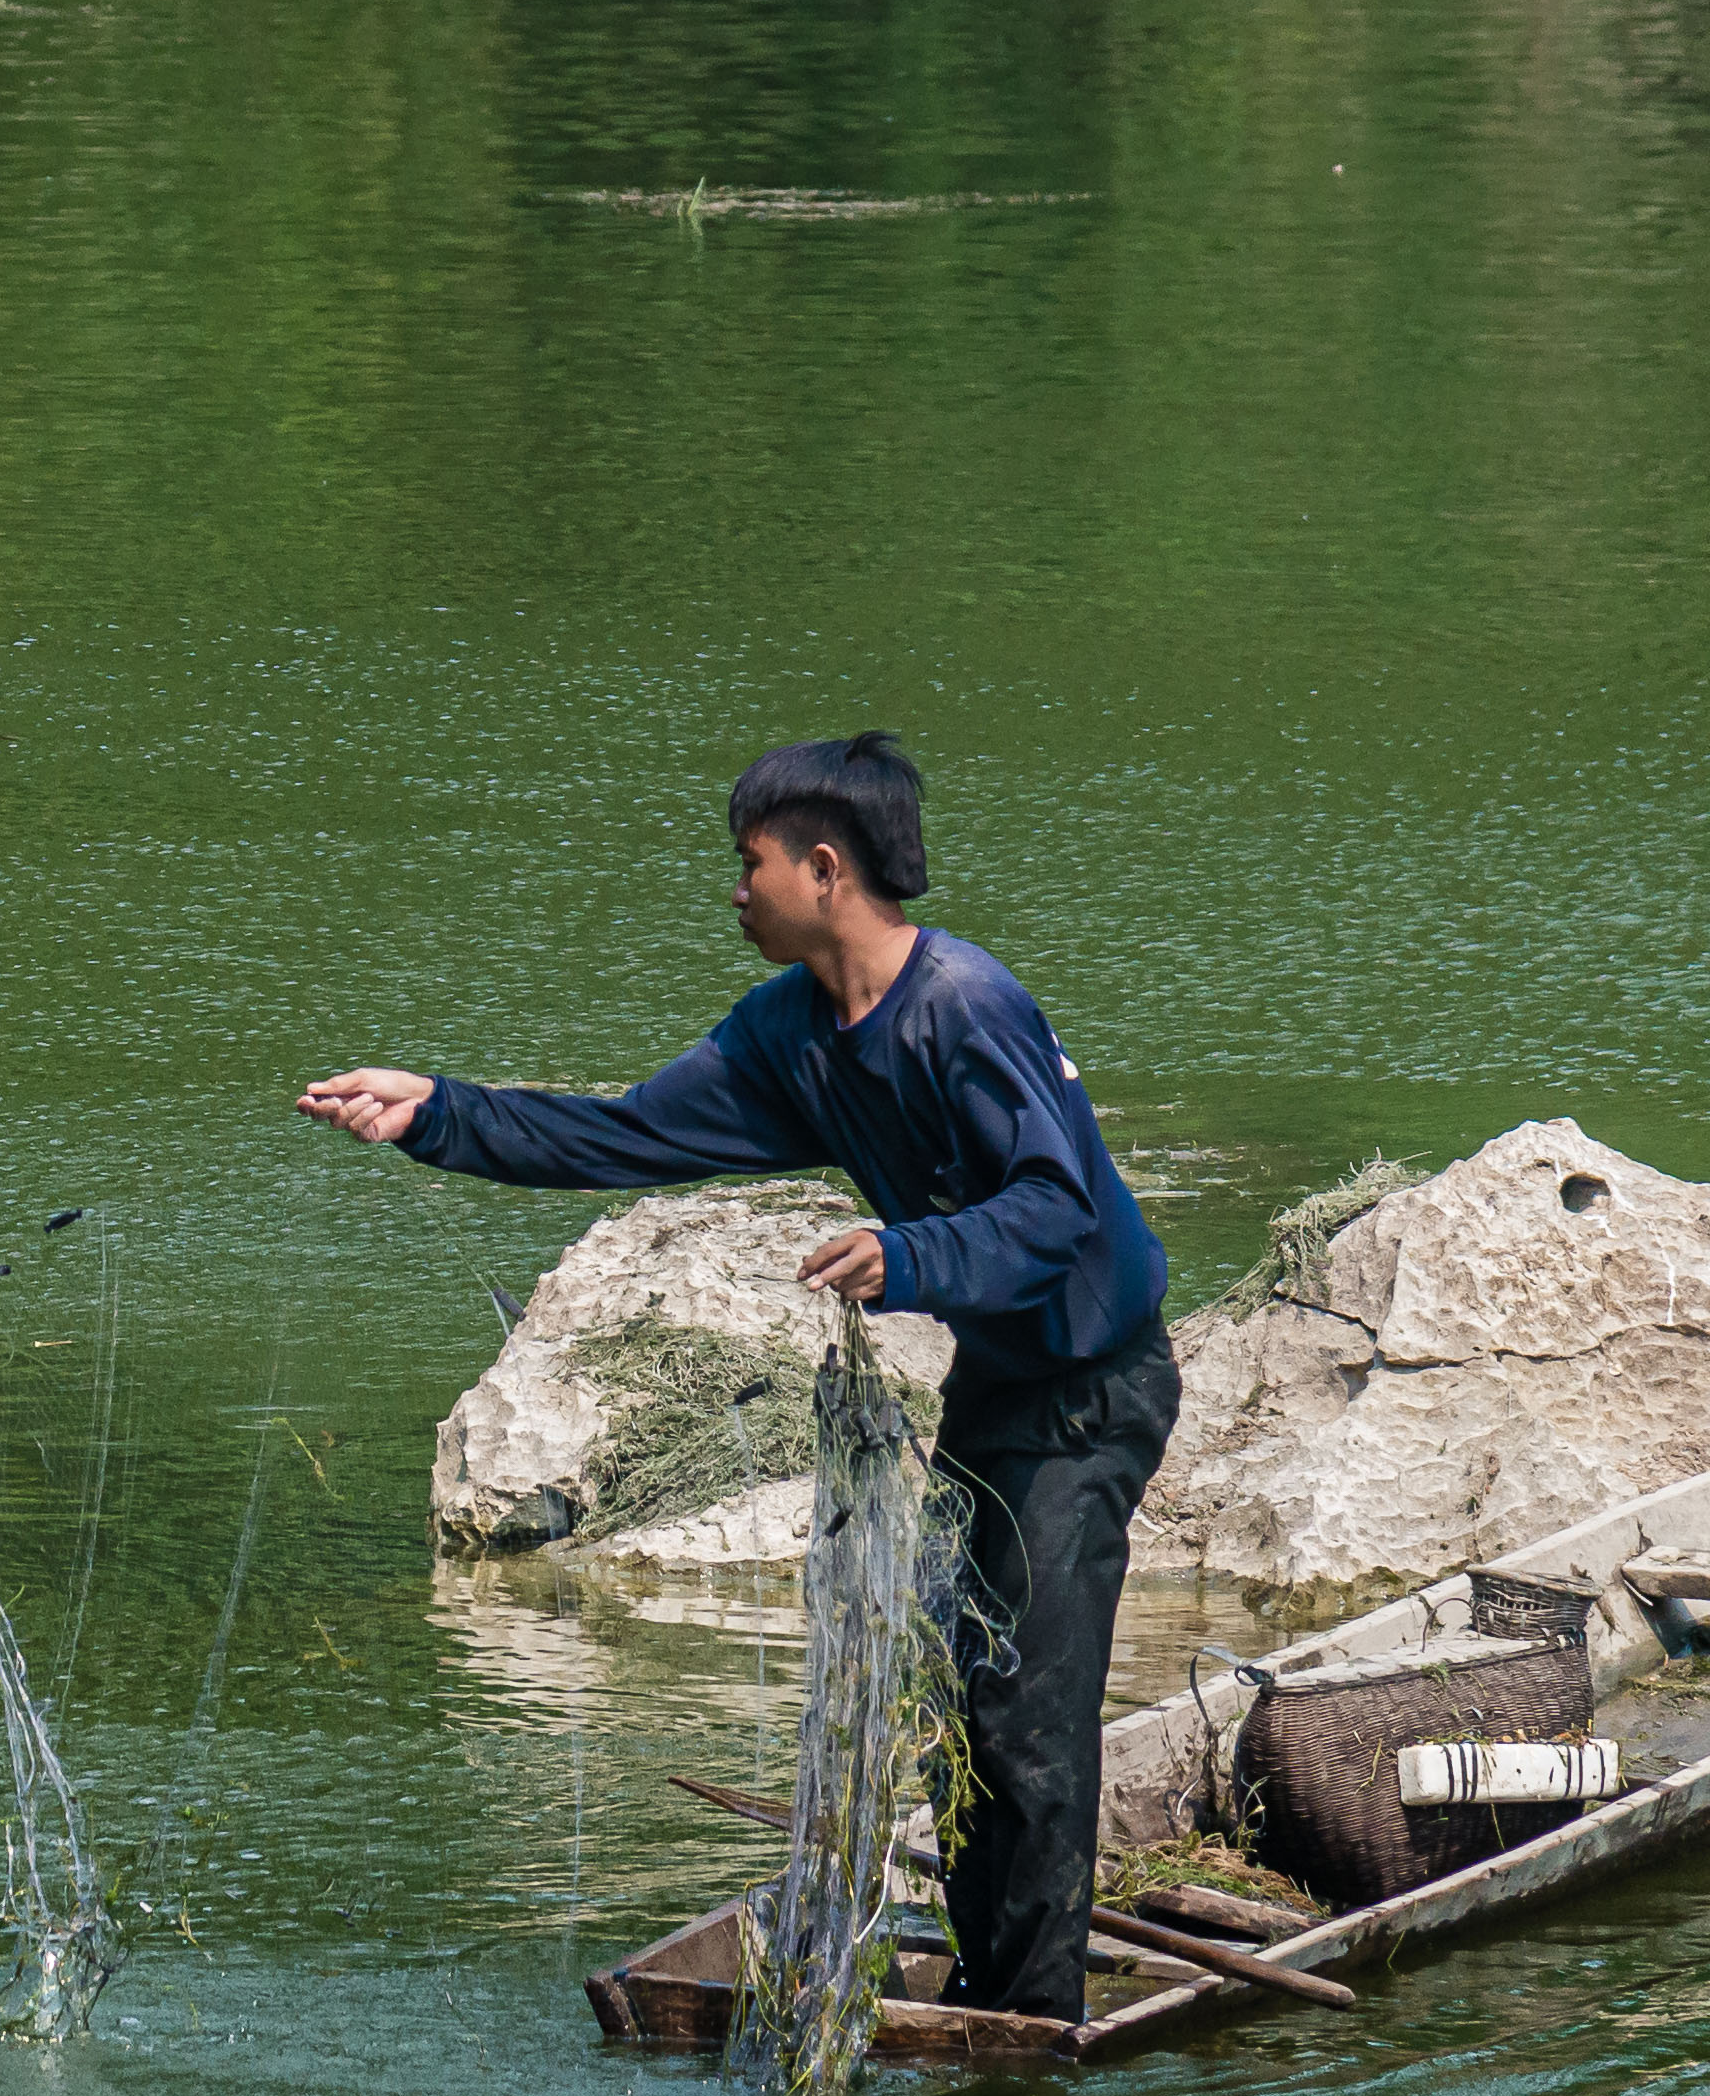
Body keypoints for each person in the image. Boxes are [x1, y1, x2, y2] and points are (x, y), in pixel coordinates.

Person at [298, 730, 1174, 2022]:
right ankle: (992, 1978)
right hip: (997, 1391)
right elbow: (631, 1133)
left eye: (747, 862)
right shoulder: (793, 1028)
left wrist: (909, 1250)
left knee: (1029, 1724)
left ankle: (1032, 2023)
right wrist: (437, 1110)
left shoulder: (967, 1007)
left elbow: (1055, 1209)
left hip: (1093, 1394)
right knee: (969, 1704)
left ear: (825, 869)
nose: (734, 888)